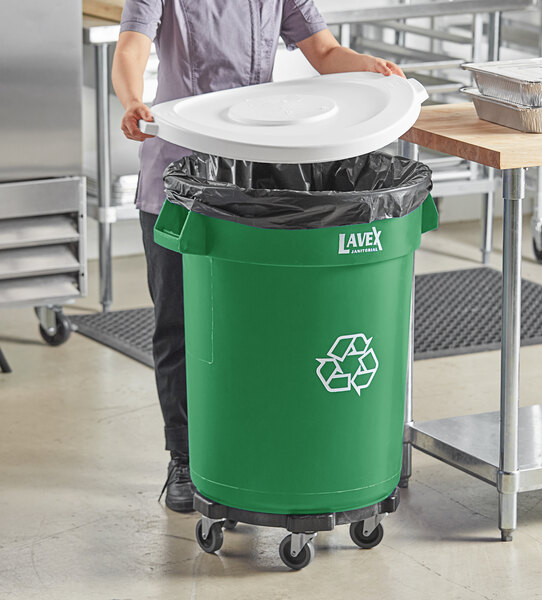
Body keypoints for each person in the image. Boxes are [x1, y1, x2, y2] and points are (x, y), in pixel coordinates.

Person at [112, 0, 405, 513]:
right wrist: (133, 101)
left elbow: (325, 50)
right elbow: (131, 47)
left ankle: (250, 449)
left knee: (255, 327)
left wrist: (372, 69)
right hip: (177, 180)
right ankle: (183, 457)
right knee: (178, 324)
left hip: (253, 178)